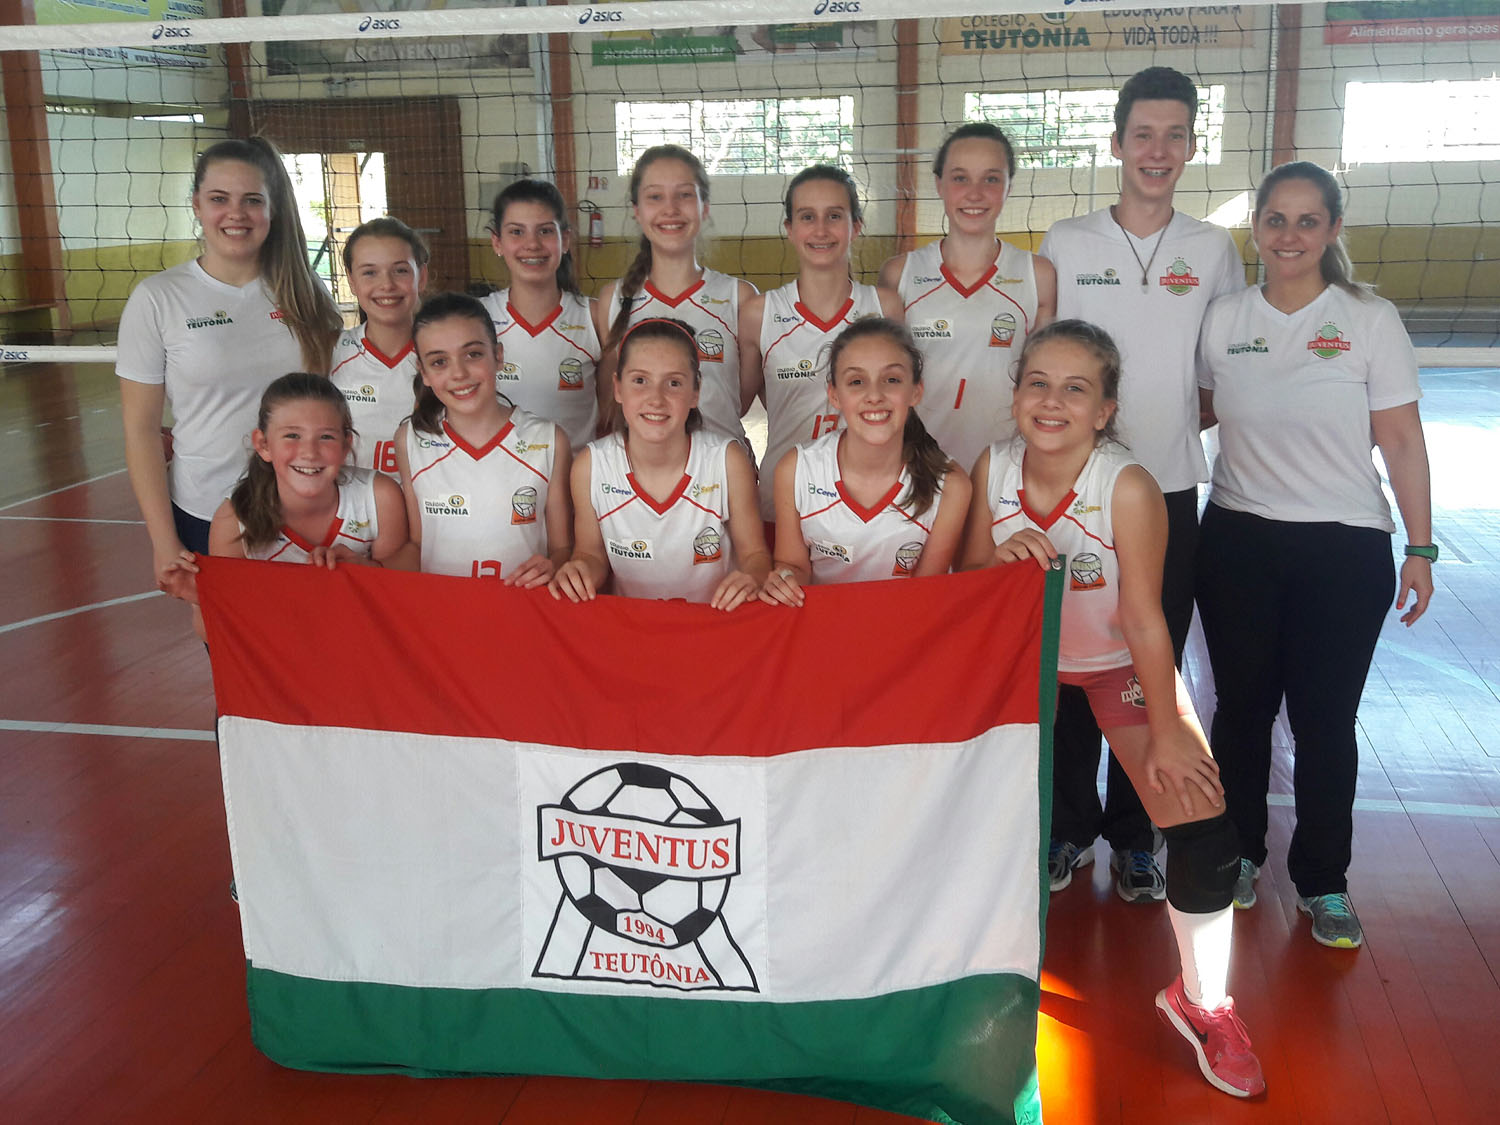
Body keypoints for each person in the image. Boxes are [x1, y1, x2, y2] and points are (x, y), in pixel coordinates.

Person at [960, 319, 1263, 1099]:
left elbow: (1145, 619)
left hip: (1111, 666)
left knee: (1202, 820)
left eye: (1075, 388)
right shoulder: (992, 467)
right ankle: (948, 975)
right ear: (1015, 395)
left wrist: (1168, 729)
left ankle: (1203, 1001)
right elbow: (964, 581)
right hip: (1019, 668)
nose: (1051, 400)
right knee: (954, 814)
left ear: (1104, 409)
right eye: (1037, 383)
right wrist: (995, 558)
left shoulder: (1125, 485)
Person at [1196, 161, 1434, 950]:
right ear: (1256, 228)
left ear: (1333, 229)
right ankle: (1237, 853)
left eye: (1307, 220)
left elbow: (1401, 438)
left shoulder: (1368, 318)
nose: (1290, 235)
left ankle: (1324, 880)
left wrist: (1421, 545)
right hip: (1237, 538)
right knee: (1241, 710)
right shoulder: (1225, 317)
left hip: (1344, 545)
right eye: (1276, 219)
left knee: (1325, 720)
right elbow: (1196, 410)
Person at [1038, 68, 1246, 903]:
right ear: (1117, 142)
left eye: (1174, 135)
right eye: (1143, 134)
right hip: (1072, 490)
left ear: (1191, 146)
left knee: (1143, 665)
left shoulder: (1213, 249)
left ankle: (1134, 836)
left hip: (1165, 491)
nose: (1157, 150)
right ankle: (1067, 826)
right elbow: (1049, 363)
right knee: (1069, 664)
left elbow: (1218, 377)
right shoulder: (1068, 240)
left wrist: (1159, 432)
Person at [118, 136, 342, 592]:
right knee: (222, 636)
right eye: (219, 199)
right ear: (196, 205)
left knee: (310, 635)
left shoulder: (306, 293)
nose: (236, 214)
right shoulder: (157, 299)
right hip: (204, 507)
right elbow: (141, 432)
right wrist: (163, 541)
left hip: (303, 507)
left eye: (252, 200)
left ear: (273, 209)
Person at [157, 373, 412, 636]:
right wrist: (204, 598)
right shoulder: (235, 520)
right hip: (286, 654)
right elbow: (224, 638)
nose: (309, 452)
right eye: (292, 435)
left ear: (346, 445)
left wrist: (365, 572)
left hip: (365, 645)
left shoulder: (379, 497)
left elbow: (400, 604)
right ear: (263, 445)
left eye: (326, 437)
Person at [549, 317, 768, 609]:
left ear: (695, 392)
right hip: (634, 628)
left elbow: (755, 555)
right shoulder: (591, 465)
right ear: (617, 388)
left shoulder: (726, 461)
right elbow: (590, 554)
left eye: (674, 383)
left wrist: (753, 576)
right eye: (640, 381)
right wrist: (580, 572)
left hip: (715, 624)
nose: (656, 399)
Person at [878, 122, 1055, 477]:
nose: (975, 194)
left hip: (1006, 470)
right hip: (919, 469)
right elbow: (885, 380)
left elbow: (1042, 383)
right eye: (960, 178)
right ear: (939, 184)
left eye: (991, 179)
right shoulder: (900, 274)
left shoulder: (1038, 275)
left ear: (1009, 186)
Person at [759, 317, 969, 606]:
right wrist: (784, 580)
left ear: (915, 391)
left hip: (904, 626)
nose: (874, 395)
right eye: (856, 382)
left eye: (891, 380)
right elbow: (793, 565)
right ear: (834, 395)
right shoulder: (796, 469)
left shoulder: (951, 484)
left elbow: (925, 593)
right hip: (824, 625)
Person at [741, 165, 903, 522]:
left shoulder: (885, 306)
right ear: (789, 229)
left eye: (834, 216)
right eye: (807, 217)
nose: (820, 229)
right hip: (784, 498)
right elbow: (733, 406)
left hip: (869, 498)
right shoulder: (759, 314)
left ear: (855, 226)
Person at [394, 293, 571, 584]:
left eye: (473, 354)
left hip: (521, 605)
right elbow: (417, 544)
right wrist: (365, 568)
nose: (458, 373)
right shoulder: (410, 440)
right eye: (439, 361)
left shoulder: (549, 440)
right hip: (441, 607)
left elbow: (562, 549)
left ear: (498, 356)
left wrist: (553, 566)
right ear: (423, 372)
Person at [595, 145, 760, 447]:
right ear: (637, 210)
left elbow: (740, 402)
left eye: (684, 195)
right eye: (655, 197)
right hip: (644, 471)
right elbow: (610, 405)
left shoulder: (740, 298)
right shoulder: (612, 300)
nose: (670, 208)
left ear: (704, 207)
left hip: (723, 468)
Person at [480, 179, 605, 450]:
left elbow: (611, 415)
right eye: (517, 232)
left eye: (545, 231)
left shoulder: (595, 317)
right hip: (500, 473)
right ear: (497, 242)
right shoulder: (477, 318)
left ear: (565, 240)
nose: (532, 244)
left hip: (576, 474)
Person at [329, 217, 428, 478]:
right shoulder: (329, 354)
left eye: (400, 270)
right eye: (369, 272)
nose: (386, 285)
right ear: (352, 281)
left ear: (422, 277)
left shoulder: (447, 356)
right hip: (350, 503)